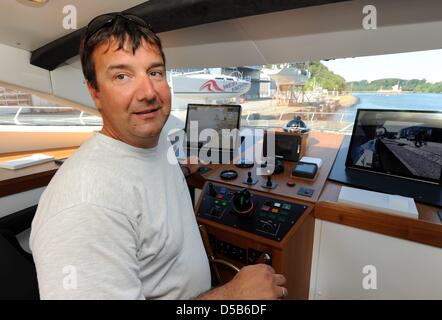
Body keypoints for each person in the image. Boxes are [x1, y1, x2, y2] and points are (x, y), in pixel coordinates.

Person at [30, 13, 287, 300]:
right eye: (122, 76)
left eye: (155, 72)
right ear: (95, 93)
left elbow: (147, 178)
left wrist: (186, 169)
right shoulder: (85, 206)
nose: (149, 92)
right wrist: (234, 296)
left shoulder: (153, 139)